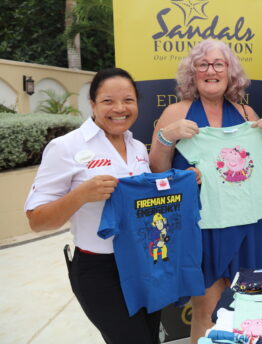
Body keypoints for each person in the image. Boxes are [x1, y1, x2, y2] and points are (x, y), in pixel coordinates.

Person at [148, 39, 262, 342]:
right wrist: (166, 136)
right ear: (193, 73)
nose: (211, 70)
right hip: (202, 225)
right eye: (203, 64)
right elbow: (157, 169)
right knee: (207, 310)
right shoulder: (176, 112)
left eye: (218, 64)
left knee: (246, 307)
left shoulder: (248, 114)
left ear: (230, 72)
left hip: (246, 224)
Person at [24, 68, 161, 343]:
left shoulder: (136, 147)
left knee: (150, 338)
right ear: (93, 104)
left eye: (128, 100)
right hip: (99, 270)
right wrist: (81, 195)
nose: (119, 109)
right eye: (108, 101)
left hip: (145, 263)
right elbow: (37, 221)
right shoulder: (65, 147)